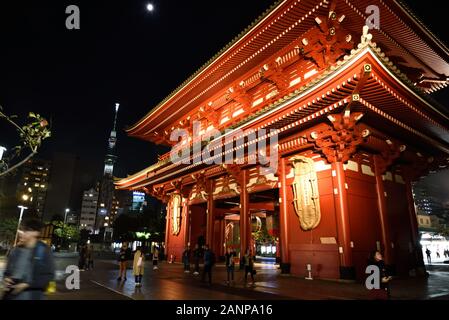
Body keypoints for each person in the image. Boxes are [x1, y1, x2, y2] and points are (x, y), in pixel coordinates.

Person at [1, 219, 55, 300]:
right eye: (21, 230)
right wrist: (6, 278)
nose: (21, 233)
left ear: (35, 233)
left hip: (33, 295)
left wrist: (28, 284)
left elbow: (49, 276)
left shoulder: (43, 250)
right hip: (11, 295)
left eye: (25, 230)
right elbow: (7, 272)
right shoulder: (16, 250)